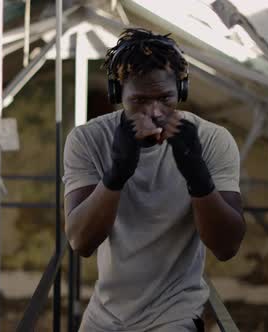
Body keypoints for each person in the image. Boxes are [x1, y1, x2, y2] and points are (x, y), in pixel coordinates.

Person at [62, 28, 246, 332]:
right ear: (117, 93)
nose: (154, 111)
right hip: (105, 315)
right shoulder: (88, 140)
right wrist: (116, 173)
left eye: (165, 98)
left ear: (181, 92)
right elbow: (81, 241)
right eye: (139, 100)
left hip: (175, 315)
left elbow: (226, 248)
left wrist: (197, 176)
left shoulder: (213, 140)